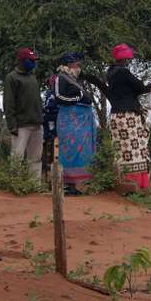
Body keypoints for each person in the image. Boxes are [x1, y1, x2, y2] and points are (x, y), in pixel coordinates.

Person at [104, 43, 151, 193]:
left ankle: (122, 182)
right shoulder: (124, 72)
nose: (129, 60)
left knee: (121, 150)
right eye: (128, 58)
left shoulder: (110, 72)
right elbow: (141, 87)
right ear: (125, 58)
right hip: (128, 117)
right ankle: (135, 184)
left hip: (115, 115)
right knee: (135, 149)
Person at [52, 52, 97, 195]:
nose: (79, 66)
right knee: (70, 150)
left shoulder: (73, 78)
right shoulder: (60, 78)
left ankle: (75, 185)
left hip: (82, 122)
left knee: (81, 150)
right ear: (69, 64)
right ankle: (67, 185)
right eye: (77, 63)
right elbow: (58, 97)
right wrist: (77, 99)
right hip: (70, 121)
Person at [3, 47, 43, 179]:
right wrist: (12, 125)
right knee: (17, 157)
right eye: (30, 60)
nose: (32, 63)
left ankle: (34, 186)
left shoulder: (32, 77)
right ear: (21, 61)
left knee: (36, 158)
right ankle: (15, 184)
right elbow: (8, 103)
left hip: (37, 124)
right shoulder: (11, 78)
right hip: (21, 125)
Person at [41, 74, 60, 184]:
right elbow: (47, 108)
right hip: (50, 124)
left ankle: (51, 179)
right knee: (50, 152)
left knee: (53, 153)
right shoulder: (50, 94)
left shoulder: (51, 94)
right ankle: (48, 179)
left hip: (53, 124)